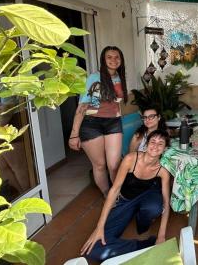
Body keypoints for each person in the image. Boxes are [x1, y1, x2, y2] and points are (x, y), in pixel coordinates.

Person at [81, 130, 171, 262]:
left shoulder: (162, 171)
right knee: (93, 250)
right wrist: (99, 227)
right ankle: (145, 246)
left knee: (154, 207)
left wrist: (161, 236)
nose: (155, 146)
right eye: (153, 142)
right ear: (146, 144)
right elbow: (114, 190)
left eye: (160, 144)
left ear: (165, 149)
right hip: (125, 201)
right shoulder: (130, 159)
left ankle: (143, 222)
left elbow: (166, 203)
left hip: (146, 196)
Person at [69, 46, 128, 196]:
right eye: (109, 57)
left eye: (117, 57)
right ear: (103, 59)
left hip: (113, 123)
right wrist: (74, 134)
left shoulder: (119, 77)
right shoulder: (94, 77)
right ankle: (107, 194)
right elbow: (83, 105)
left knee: (114, 164)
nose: (113, 60)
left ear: (121, 60)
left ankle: (118, 194)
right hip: (91, 124)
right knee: (100, 165)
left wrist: (119, 117)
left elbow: (116, 103)